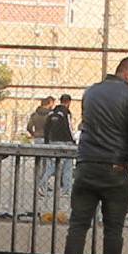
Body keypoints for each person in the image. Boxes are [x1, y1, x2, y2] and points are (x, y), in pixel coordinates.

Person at [60, 57, 128, 254]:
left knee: (78, 225)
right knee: (113, 230)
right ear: (127, 74)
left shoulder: (91, 93)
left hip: (86, 166)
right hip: (116, 171)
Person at [39, 93, 76, 222]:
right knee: (67, 167)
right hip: (66, 142)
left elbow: (46, 128)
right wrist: (73, 141)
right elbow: (70, 128)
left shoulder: (52, 113)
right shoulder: (66, 112)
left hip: (53, 141)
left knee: (52, 166)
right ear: (69, 102)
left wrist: (47, 142)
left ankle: (42, 184)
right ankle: (66, 189)